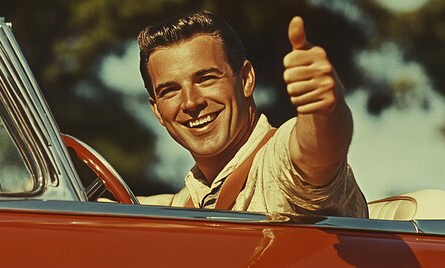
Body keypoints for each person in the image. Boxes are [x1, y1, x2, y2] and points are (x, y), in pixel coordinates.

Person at [136, 11, 368, 218]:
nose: (190, 102)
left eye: (206, 78)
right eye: (170, 90)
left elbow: (317, 154)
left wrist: (324, 109)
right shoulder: (186, 201)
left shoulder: (278, 161)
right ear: (156, 110)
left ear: (246, 79)